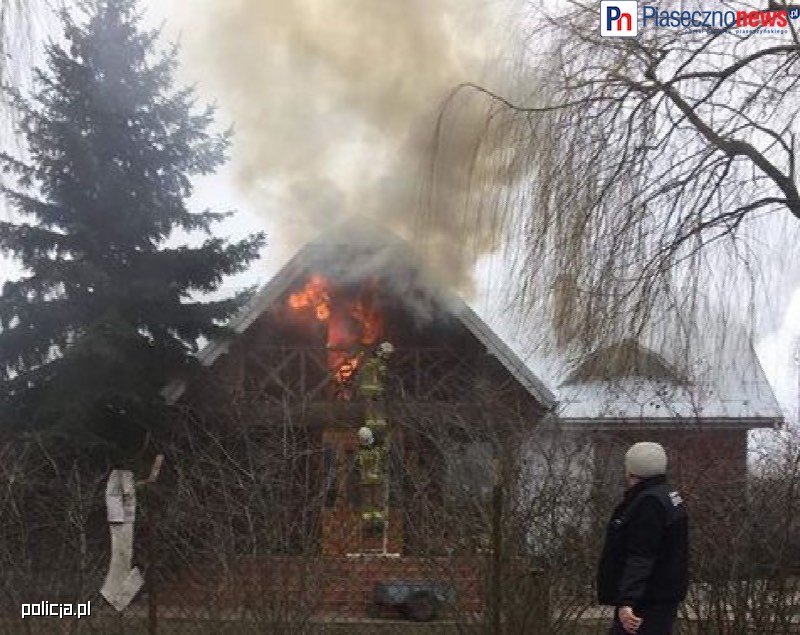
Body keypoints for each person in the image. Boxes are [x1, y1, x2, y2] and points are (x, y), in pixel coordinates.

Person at [597, 442, 689, 634]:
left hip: (645, 601)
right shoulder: (669, 496)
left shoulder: (648, 503)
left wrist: (627, 601)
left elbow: (641, 555)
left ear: (632, 469)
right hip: (660, 597)